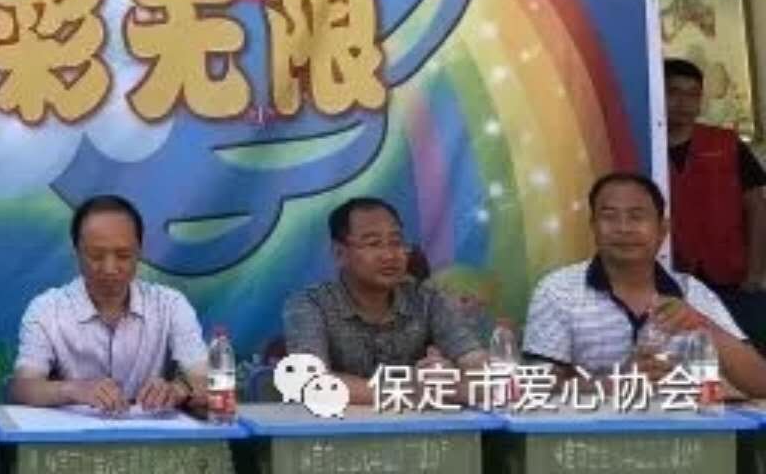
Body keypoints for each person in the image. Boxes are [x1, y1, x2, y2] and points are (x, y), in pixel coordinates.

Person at [523, 172, 766, 394]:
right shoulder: (558, 290)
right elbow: (537, 382)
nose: (623, 228)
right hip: (590, 426)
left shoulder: (692, 291)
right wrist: (616, 383)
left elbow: (760, 383)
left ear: (662, 229)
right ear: (593, 227)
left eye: (636, 216)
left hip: (680, 426)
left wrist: (702, 325)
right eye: (609, 217)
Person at [9, 195, 206, 414]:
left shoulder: (170, 305)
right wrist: (73, 390)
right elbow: (22, 388)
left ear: (139, 252)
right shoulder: (46, 310)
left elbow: (208, 379)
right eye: (96, 255)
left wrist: (178, 389)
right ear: (76, 252)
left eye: (123, 255)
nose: (110, 268)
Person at [281, 198, 487, 405]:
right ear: (339, 253)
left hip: (418, 424)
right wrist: (411, 390)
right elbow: (309, 381)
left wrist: (451, 380)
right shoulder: (310, 304)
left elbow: (477, 363)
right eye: (373, 244)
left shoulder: (428, 301)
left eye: (396, 242)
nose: (389, 255)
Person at [663, 57, 766, 340]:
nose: (683, 103)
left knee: (748, 349)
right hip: (671, 279)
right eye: (673, 92)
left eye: (692, 95)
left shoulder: (726, 143)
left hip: (732, 276)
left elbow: (757, 207)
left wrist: (756, 272)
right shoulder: (644, 144)